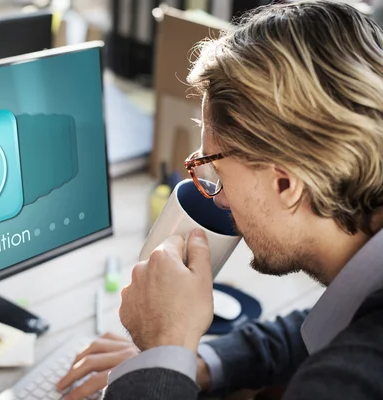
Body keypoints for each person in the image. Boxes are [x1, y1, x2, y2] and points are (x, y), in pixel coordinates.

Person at [56, 0, 383, 399]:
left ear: (286, 184)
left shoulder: (350, 382)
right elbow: (323, 327)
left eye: (216, 171)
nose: (220, 200)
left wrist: (164, 347)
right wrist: (191, 362)